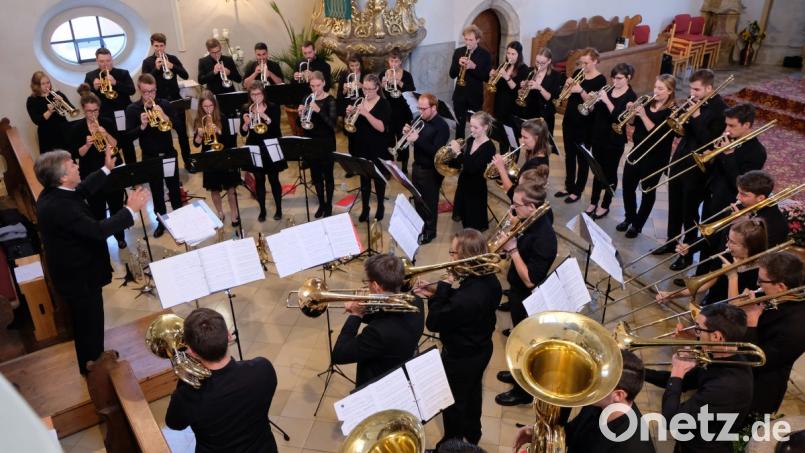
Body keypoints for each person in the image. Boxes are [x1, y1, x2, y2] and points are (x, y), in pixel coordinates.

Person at [34, 150, 148, 375]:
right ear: (63, 178)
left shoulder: (54, 193)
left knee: (89, 322)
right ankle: (93, 369)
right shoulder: (60, 207)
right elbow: (97, 231)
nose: (77, 166)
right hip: (79, 277)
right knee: (89, 323)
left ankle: (94, 357)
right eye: (72, 165)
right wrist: (129, 210)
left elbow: (83, 189)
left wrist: (106, 168)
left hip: (76, 272)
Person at [413, 228, 502, 447]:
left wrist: (442, 286)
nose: (449, 258)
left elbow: (434, 322)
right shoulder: (488, 279)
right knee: (472, 394)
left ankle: (451, 444)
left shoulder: (469, 297)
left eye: (453, 253)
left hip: (461, 357)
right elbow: (461, 305)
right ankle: (473, 434)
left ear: (465, 257)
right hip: (480, 348)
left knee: (452, 402)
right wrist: (435, 294)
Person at [165, 308, 278, 453]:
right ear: (229, 336)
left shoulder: (186, 397)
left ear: (192, 351)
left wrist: (185, 377)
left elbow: (175, 424)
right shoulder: (263, 369)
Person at [644, 303, 753, 453]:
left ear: (716, 337)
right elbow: (686, 382)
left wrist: (677, 372)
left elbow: (671, 420)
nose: (695, 333)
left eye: (698, 328)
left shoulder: (726, 385)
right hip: (691, 439)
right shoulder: (720, 356)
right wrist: (639, 371)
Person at [512, 350, 656, 453]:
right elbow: (575, 432)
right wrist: (537, 436)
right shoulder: (600, 404)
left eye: (598, 384)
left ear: (618, 395)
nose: (588, 387)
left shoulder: (632, 447)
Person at [495, 180, 558, 406]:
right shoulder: (531, 220)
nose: (512, 209)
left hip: (527, 298)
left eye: (516, 205)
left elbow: (531, 280)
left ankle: (523, 392)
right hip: (516, 293)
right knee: (517, 339)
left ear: (531, 206)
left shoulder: (545, 238)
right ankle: (516, 373)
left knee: (524, 344)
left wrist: (512, 249)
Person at [663, 69, 727, 272]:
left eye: (696, 89)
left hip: (697, 168)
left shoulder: (721, 110)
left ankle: (687, 254)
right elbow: (684, 132)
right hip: (680, 159)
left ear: (709, 88)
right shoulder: (695, 101)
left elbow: (709, 141)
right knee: (674, 205)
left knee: (688, 213)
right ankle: (671, 242)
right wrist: (683, 118)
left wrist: (697, 116)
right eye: (691, 88)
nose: (692, 93)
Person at [332, 253, 425, 388]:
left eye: (367, 282)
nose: (367, 286)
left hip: (380, 382)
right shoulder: (417, 302)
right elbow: (383, 315)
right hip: (402, 365)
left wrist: (355, 315)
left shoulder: (376, 333)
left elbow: (339, 354)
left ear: (376, 286)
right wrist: (364, 307)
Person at [740, 252, 805, 418]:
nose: (757, 285)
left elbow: (757, 360)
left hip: (757, 390)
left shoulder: (796, 328)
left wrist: (752, 322)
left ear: (781, 287)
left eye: (761, 281)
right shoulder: (782, 293)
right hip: (743, 372)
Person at [124, 73, 183, 237]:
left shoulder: (164, 104)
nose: (150, 95)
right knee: (156, 191)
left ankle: (179, 218)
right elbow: (128, 136)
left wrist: (165, 117)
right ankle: (161, 222)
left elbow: (180, 126)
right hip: (150, 157)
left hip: (169, 154)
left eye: (153, 91)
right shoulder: (133, 109)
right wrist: (142, 126)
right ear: (139, 90)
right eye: (146, 92)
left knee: (173, 188)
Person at [618, 74, 677, 238]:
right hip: (637, 151)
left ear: (670, 91)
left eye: (660, 88)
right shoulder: (647, 102)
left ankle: (637, 225)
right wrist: (631, 113)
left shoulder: (673, 112)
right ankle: (629, 217)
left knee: (647, 191)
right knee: (628, 186)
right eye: (655, 87)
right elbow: (631, 124)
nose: (655, 91)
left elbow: (656, 135)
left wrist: (643, 115)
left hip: (655, 157)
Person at [659, 218, 767, 306]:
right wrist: (670, 295)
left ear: (749, 248)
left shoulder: (758, 272)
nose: (726, 245)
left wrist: (732, 276)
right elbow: (706, 283)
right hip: (713, 305)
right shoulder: (728, 255)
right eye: (728, 239)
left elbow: (736, 305)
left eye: (733, 242)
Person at [68, 92, 126, 249]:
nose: (92, 114)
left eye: (95, 111)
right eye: (89, 111)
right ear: (83, 110)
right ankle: (102, 241)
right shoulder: (77, 128)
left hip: (112, 172)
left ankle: (120, 237)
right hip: (92, 175)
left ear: (99, 110)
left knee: (117, 207)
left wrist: (106, 134)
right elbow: (76, 154)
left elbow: (116, 146)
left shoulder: (107, 122)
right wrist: (87, 144)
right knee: (97, 210)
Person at [586, 63, 637, 219]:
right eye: (614, 78)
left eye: (619, 78)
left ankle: (605, 204)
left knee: (610, 173)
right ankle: (593, 201)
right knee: (597, 171)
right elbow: (595, 113)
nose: (615, 81)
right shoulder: (607, 90)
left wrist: (606, 100)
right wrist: (591, 102)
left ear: (628, 78)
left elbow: (619, 118)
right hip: (598, 137)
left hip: (614, 140)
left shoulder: (631, 97)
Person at [557, 47, 606, 204]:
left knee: (582, 158)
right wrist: (567, 86)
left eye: (586, 63)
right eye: (582, 62)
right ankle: (569, 186)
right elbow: (565, 96)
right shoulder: (578, 73)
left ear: (595, 61)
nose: (583, 66)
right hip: (569, 120)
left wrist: (581, 90)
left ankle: (578, 190)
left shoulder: (601, 80)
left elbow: (592, 106)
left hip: (585, 124)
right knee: (569, 155)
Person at [703, 103, 767, 220]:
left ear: (746, 125)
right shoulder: (729, 139)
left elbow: (741, 184)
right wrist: (712, 156)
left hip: (727, 203)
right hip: (711, 194)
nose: (727, 129)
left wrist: (728, 154)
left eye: (732, 126)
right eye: (726, 125)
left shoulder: (757, 152)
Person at [141, 33, 192, 167]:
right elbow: (144, 82)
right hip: (159, 103)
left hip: (176, 101)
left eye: (161, 46)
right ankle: (164, 165)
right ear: (152, 45)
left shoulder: (173, 58)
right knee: (162, 134)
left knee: (182, 133)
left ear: (165, 45)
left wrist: (172, 67)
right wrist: (156, 69)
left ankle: (188, 162)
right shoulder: (147, 62)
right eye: (156, 46)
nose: (159, 49)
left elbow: (185, 75)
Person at [345, 74, 391, 221]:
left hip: (378, 148)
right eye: (364, 88)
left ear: (377, 88)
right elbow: (352, 127)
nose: (367, 92)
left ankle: (380, 206)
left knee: (378, 180)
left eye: (370, 89)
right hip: (362, 147)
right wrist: (350, 115)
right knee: (364, 180)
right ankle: (365, 208)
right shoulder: (359, 101)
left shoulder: (384, 104)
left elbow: (382, 128)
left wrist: (366, 113)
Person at [406, 92, 449, 244]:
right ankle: (420, 227)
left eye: (424, 109)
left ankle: (430, 233)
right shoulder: (419, 119)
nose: (420, 111)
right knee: (418, 200)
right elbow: (414, 141)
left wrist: (417, 139)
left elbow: (436, 153)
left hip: (431, 170)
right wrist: (407, 133)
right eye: (419, 108)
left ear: (434, 108)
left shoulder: (442, 126)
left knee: (429, 203)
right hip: (417, 166)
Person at [192, 90, 240, 226]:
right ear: (201, 107)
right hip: (209, 158)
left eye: (210, 106)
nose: (208, 109)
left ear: (215, 105)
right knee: (214, 189)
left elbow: (231, 141)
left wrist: (218, 131)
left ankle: (234, 213)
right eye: (205, 107)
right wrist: (200, 135)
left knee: (231, 189)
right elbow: (196, 144)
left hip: (224, 156)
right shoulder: (198, 120)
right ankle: (219, 212)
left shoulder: (222, 118)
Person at [241, 81, 285, 222]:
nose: (256, 97)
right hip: (255, 146)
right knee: (259, 180)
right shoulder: (246, 108)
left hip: (270, 145)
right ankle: (263, 210)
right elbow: (242, 133)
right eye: (253, 95)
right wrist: (245, 124)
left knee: (274, 179)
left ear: (263, 94)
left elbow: (277, 129)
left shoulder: (273, 107)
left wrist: (264, 116)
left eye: (258, 94)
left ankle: (278, 208)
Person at [84, 47, 137, 164]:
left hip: (121, 114)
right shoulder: (90, 76)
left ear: (111, 59)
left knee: (127, 143)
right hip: (104, 116)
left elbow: (132, 90)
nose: (105, 64)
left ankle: (133, 175)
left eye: (108, 61)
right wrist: (93, 89)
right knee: (111, 147)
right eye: (102, 61)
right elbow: (86, 99)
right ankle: (117, 173)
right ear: (97, 61)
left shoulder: (122, 73)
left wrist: (115, 83)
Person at [297, 71, 337, 217]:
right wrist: (300, 114)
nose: (315, 89)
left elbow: (333, 125)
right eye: (312, 86)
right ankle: (321, 203)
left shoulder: (331, 100)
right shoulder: (306, 98)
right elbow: (300, 124)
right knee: (316, 176)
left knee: (328, 176)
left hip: (326, 142)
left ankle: (329, 205)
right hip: (311, 142)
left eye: (318, 85)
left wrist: (319, 110)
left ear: (324, 83)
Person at [451, 111, 497, 231]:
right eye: (470, 126)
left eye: (475, 127)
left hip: (476, 188)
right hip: (464, 183)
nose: (471, 130)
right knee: (465, 218)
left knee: (473, 222)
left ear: (485, 127)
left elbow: (472, 167)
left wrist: (458, 153)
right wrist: (453, 156)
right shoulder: (471, 140)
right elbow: (465, 162)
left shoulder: (489, 147)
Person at [492, 117, 551, 202]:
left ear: (537, 138)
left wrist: (501, 169)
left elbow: (514, 196)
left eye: (525, 137)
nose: (522, 141)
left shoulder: (535, 166)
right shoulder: (535, 153)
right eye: (521, 136)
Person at [449, 25, 491, 139]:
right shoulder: (458, 52)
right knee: (459, 126)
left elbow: (487, 78)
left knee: (477, 126)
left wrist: (473, 67)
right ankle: (459, 151)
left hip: (475, 96)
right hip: (459, 95)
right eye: (466, 39)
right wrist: (458, 64)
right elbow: (452, 74)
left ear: (477, 40)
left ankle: (475, 148)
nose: (468, 42)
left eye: (471, 40)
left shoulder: (485, 55)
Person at [380, 48, 416, 173]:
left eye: (396, 61)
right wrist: (383, 86)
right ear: (388, 61)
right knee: (388, 140)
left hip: (403, 111)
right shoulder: (384, 74)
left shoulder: (407, 75)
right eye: (391, 61)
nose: (394, 64)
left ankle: (405, 167)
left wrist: (399, 82)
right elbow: (380, 95)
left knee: (403, 138)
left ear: (400, 61)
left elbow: (411, 90)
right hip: (388, 113)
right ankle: (389, 166)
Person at [516, 48, 562, 145]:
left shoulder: (555, 76)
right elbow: (521, 93)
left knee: (543, 146)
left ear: (549, 61)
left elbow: (551, 98)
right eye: (537, 62)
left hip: (545, 116)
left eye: (542, 63)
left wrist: (539, 87)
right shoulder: (529, 71)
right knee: (529, 144)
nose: (539, 65)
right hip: (529, 113)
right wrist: (521, 90)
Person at [735, 171, 789, 246]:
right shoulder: (742, 205)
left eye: (743, 194)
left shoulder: (774, 226)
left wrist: (742, 225)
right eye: (738, 192)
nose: (737, 197)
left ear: (760, 198)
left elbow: (753, 251)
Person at [27, 71, 74, 154]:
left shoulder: (57, 94)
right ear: (37, 86)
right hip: (47, 135)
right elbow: (36, 121)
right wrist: (49, 112)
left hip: (63, 131)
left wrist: (62, 101)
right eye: (43, 84)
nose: (47, 85)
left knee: (69, 157)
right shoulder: (32, 100)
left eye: (48, 82)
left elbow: (71, 110)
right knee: (53, 163)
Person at [489, 41, 529, 131]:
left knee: (511, 135)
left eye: (513, 54)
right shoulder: (504, 65)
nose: (510, 56)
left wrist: (506, 77)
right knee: (501, 135)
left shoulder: (523, 69)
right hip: (500, 105)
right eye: (508, 53)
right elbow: (497, 85)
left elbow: (516, 89)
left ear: (519, 55)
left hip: (512, 107)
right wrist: (493, 76)